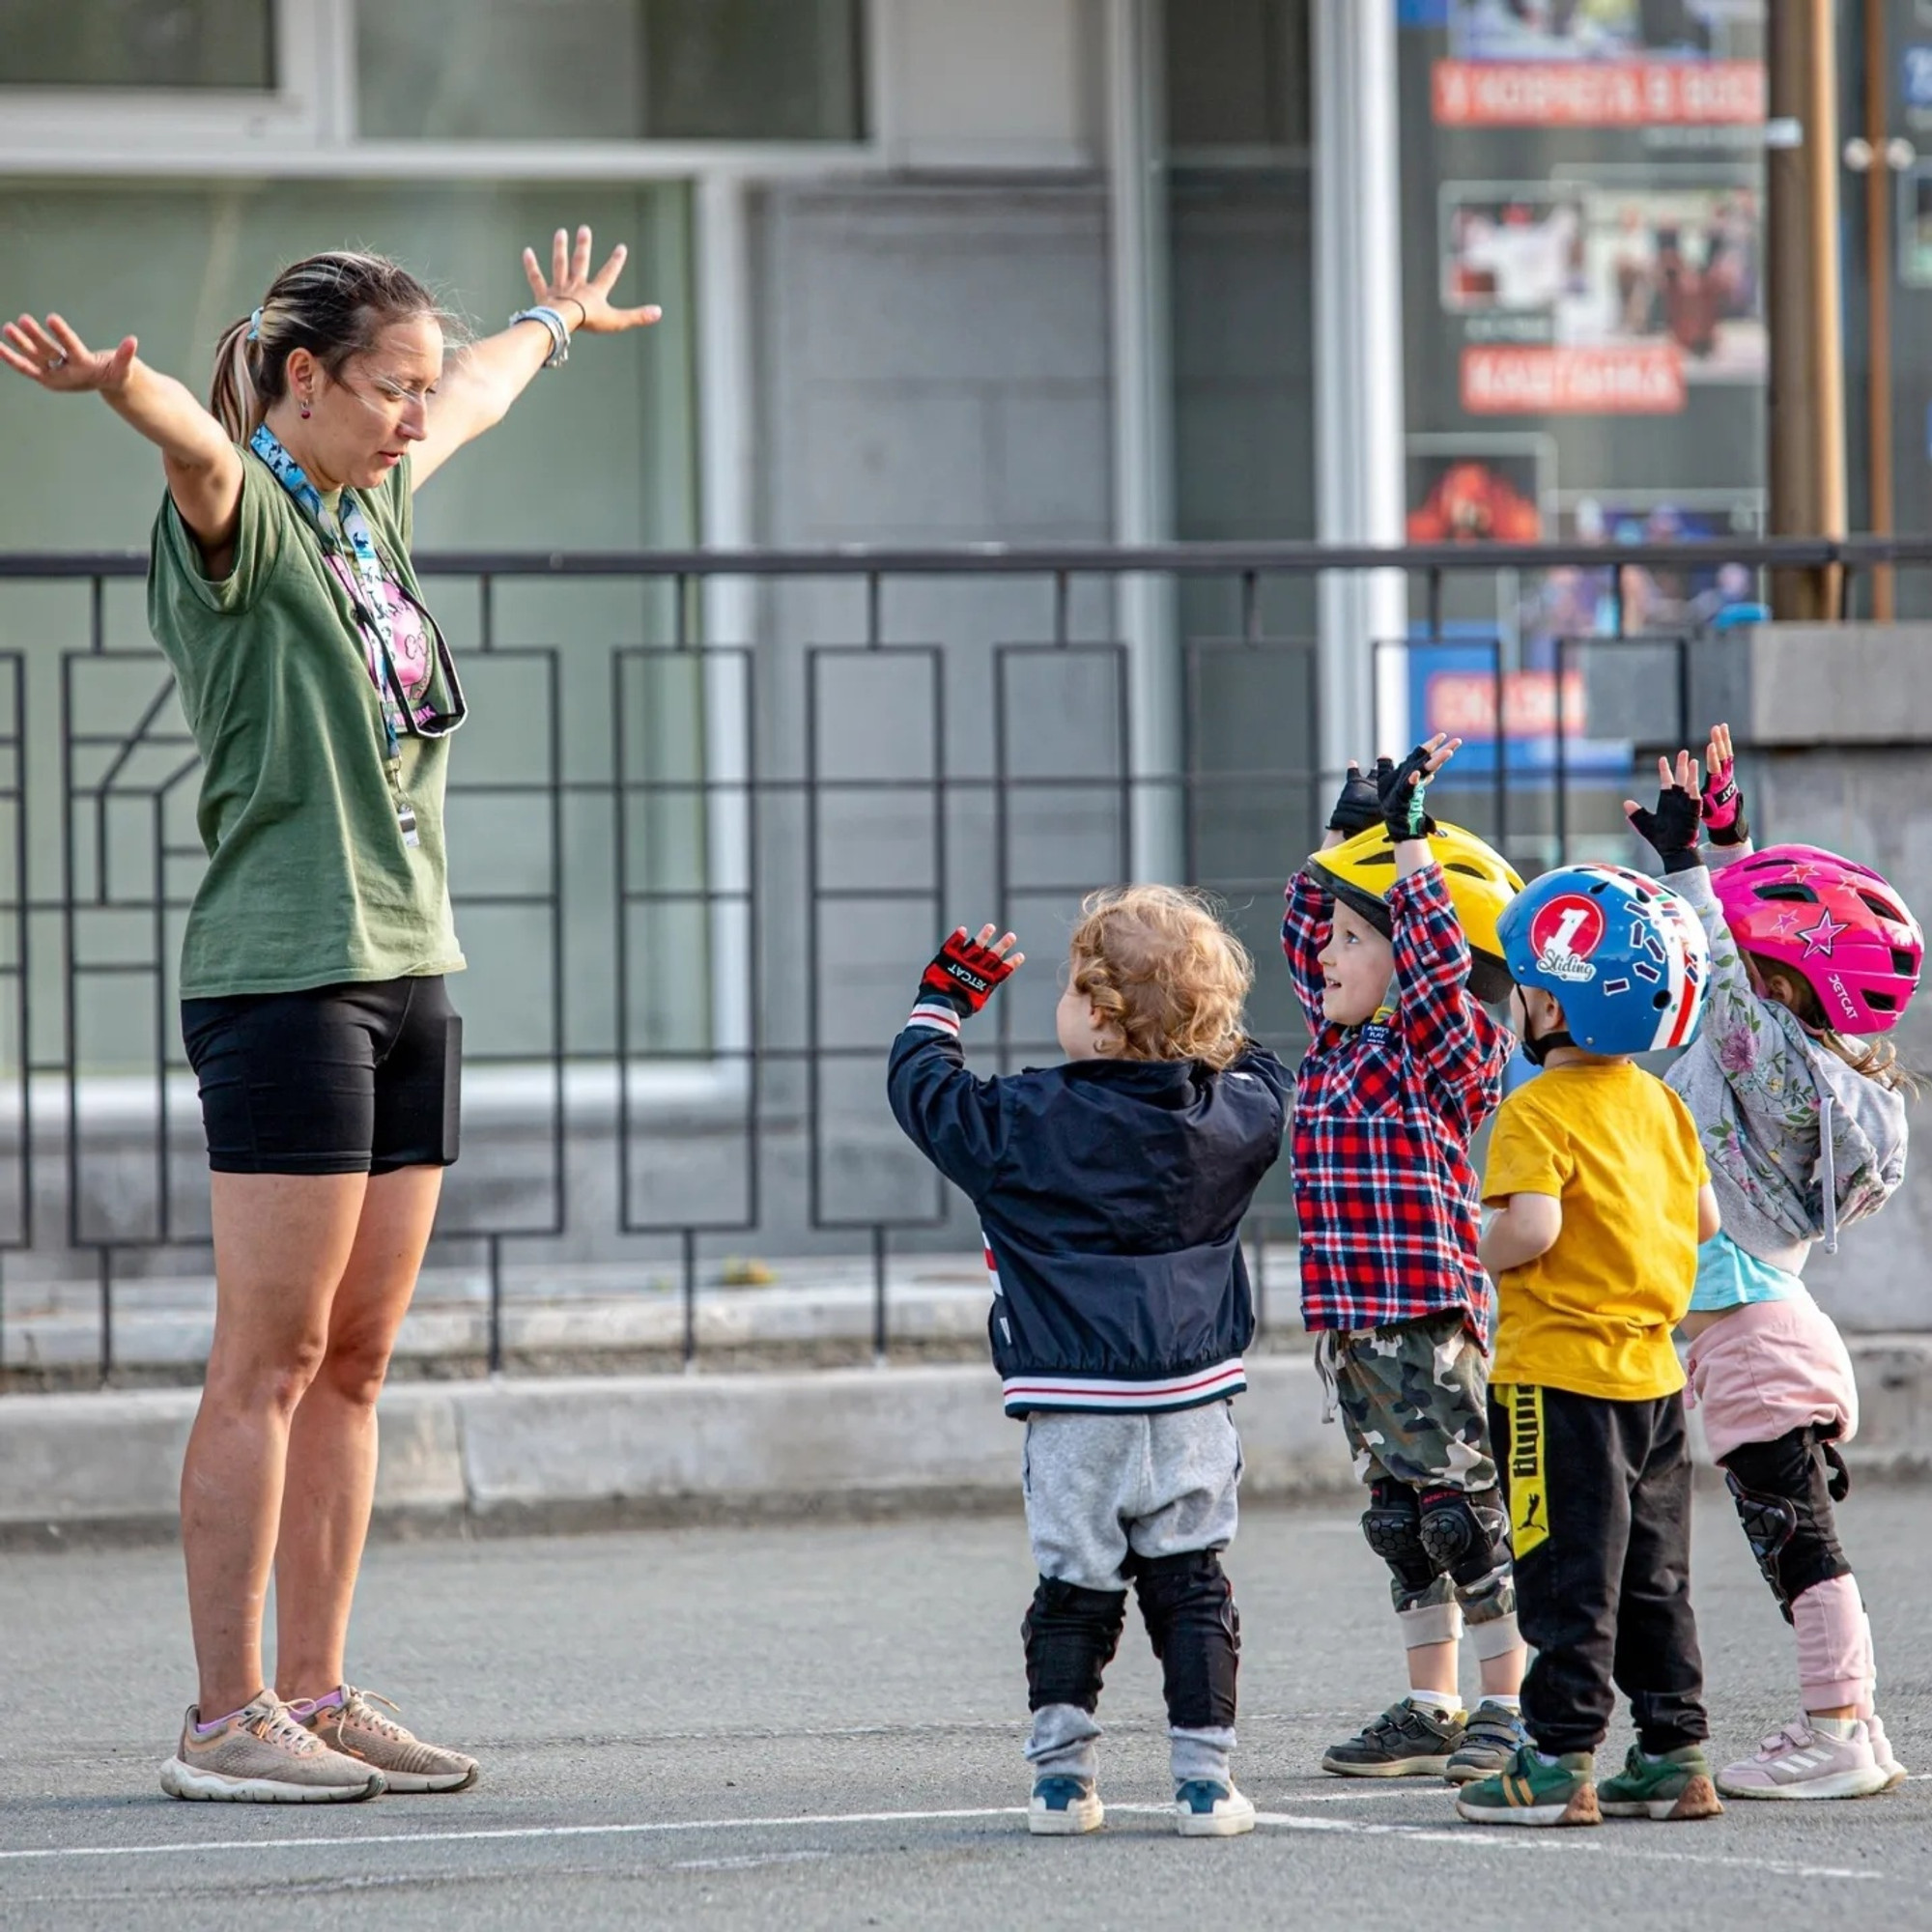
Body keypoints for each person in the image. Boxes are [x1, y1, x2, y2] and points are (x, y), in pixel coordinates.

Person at [1, 230, 661, 1802]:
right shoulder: (249, 515)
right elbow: (193, 445)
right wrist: (126, 390)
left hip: (409, 967)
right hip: (285, 972)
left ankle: (317, 1687)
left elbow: (485, 390)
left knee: (358, 1362)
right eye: (390, 391)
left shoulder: (379, 504)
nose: (417, 418)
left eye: (419, 391)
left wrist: (551, 325)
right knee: (271, 1359)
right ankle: (222, 1715)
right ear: (305, 382)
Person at [886, 890, 1291, 1838]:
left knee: (1073, 1589)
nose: (1062, 1004)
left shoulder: (1022, 1119)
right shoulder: (1234, 1115)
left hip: (1072, 1406)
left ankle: (1062, 1783)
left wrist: (940, 1001)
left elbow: (923, 1090)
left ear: (1101, 1019)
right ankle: (1202, 1781)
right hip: (1192, 1400)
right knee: (1192, 1584)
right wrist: (1197, 1013)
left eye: (1074, 988)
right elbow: (1258, 1061)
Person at [1649, 727, 1919, 1799]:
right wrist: (1727, 836)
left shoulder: (1772, 1061)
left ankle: (1835, 1732)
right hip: (1758, 1322)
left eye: (1763, 965)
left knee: (1794, 1540)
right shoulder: (1801, 1062)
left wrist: (1689, 866)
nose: (1737, 974)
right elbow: (1739, 968)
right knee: (1794, 1537)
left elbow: (1720, 978)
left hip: (1755, 1335)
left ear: (1787, 987)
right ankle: (1854, 1722)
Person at [1282, 737, 1529, 1783]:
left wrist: (1412, 849)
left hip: (1424, 1321)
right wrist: (1346, 838)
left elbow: (1427, 960)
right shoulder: (1333, 1045)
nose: (1324, 955)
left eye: (1349, 938)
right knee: (1397, 1521)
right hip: (1347, 1328)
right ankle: (1430, 1702)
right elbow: (1309, 926)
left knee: (1459, 1514)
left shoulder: (1441, 1050)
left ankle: (1505, 1704)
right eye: (1328, 937)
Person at [1458, 856, 1721, 1828]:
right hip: (1652, 1375)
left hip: (1553, 1377)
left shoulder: (1532, 1109)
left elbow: (1528, 1229)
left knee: (1564, 1565)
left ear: (1557, 1003)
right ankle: (1671, 1748)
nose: (1504, 1003)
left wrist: (1466, 1248)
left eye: (1517, 986)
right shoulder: (1659, 1104)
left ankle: (1557, 1757)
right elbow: (1699, 1220)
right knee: (1653, 1572)